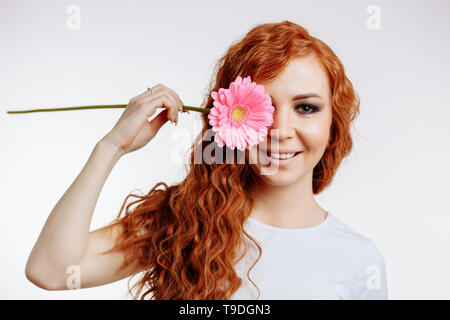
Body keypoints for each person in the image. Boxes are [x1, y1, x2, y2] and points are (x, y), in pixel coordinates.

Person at [25, 20, 388, 300]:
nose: (280, 129)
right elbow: (51, 270)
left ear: (333, 124)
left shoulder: (358, 260)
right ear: (229, 116)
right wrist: (111, 147)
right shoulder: (185, 220)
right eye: (260, 107)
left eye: (306, 107)